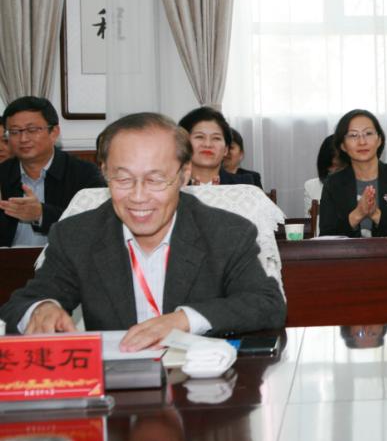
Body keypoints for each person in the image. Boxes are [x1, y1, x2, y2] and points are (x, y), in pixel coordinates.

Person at [0, 112, 287, 350]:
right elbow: (21, 303)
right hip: (117, 388)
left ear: (184, 175)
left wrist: (183, 320)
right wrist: (42, 309)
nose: (138, 197)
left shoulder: (226, 232)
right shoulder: (77, 234)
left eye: (155, 180)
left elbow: (266, 304)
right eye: (123, 179)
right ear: (105, 172)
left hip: (202, 385)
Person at [0, 97, 105, 247]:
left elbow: (96, 224)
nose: (23, 139)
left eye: (32, 130)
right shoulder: (3, 174)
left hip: (64, 261)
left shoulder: (84, 173)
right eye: (15, 132)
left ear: (54, 132)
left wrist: (41, 214)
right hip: (8, 260)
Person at [319, 109, 387, 237]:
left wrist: (375, 214)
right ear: (343, 145)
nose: (362, 142)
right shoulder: (333, 183)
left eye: (368, 133)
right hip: (348, 251)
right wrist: (358, 214)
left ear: (379, 140)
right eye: (353, 135)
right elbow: (326, 235)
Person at [178, 107, 259, 187]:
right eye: (199, 137)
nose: (208, 144)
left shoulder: (244, 185)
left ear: (226, 150)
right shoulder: (174, 185)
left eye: (216, 138)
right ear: (183, 144)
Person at [303, 134, 344, 216]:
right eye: (330, 166)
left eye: (339, 167)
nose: (334, 171)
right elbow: (311, 221)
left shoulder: (361, 185)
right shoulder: (311, 186)